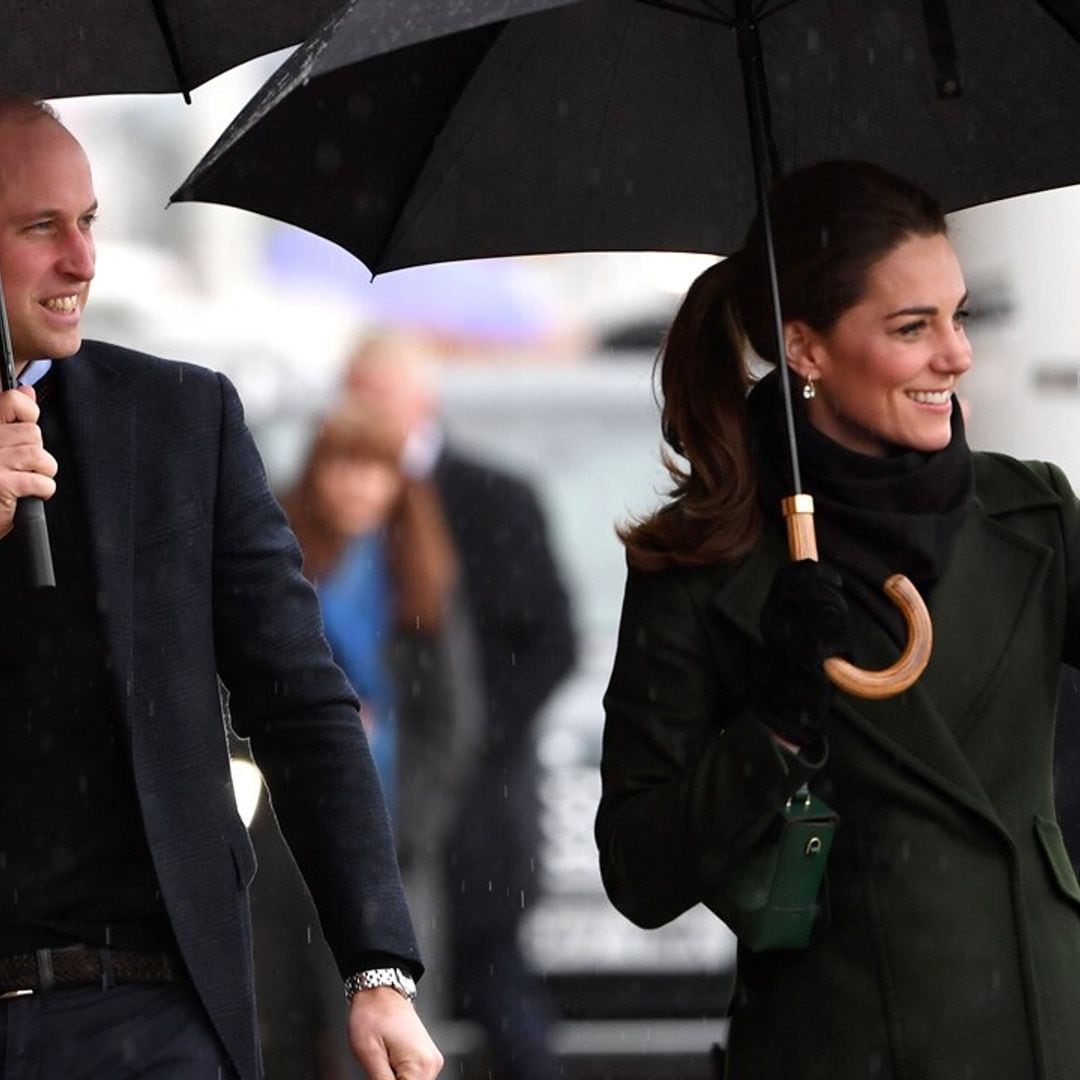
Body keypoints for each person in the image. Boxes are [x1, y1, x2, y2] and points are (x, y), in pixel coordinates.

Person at [595, 159, 1080, 1079]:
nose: (957, 353)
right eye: (913, 327)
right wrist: (770, 729)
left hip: (1038, 1030)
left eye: (958, 315)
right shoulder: (702, 567)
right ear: (807, 348)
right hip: (839, 1044)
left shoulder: (1036, 517)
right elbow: (639, 873)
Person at [0, 94, 442, 1080]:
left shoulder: (177, 420)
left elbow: (299, 695)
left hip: (153, 1010)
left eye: (90, 222)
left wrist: (377, 966)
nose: (83, 261)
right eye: (42, 229)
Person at [342, 334, 577, 1080]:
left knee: (491, 988)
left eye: (381, 399)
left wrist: (464, 736)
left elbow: (550, 642)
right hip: (372, 797)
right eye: (357, 398)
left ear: (423, 403)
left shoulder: (493, 497)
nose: (365, 416)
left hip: (479, 807)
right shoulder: (326, 495)